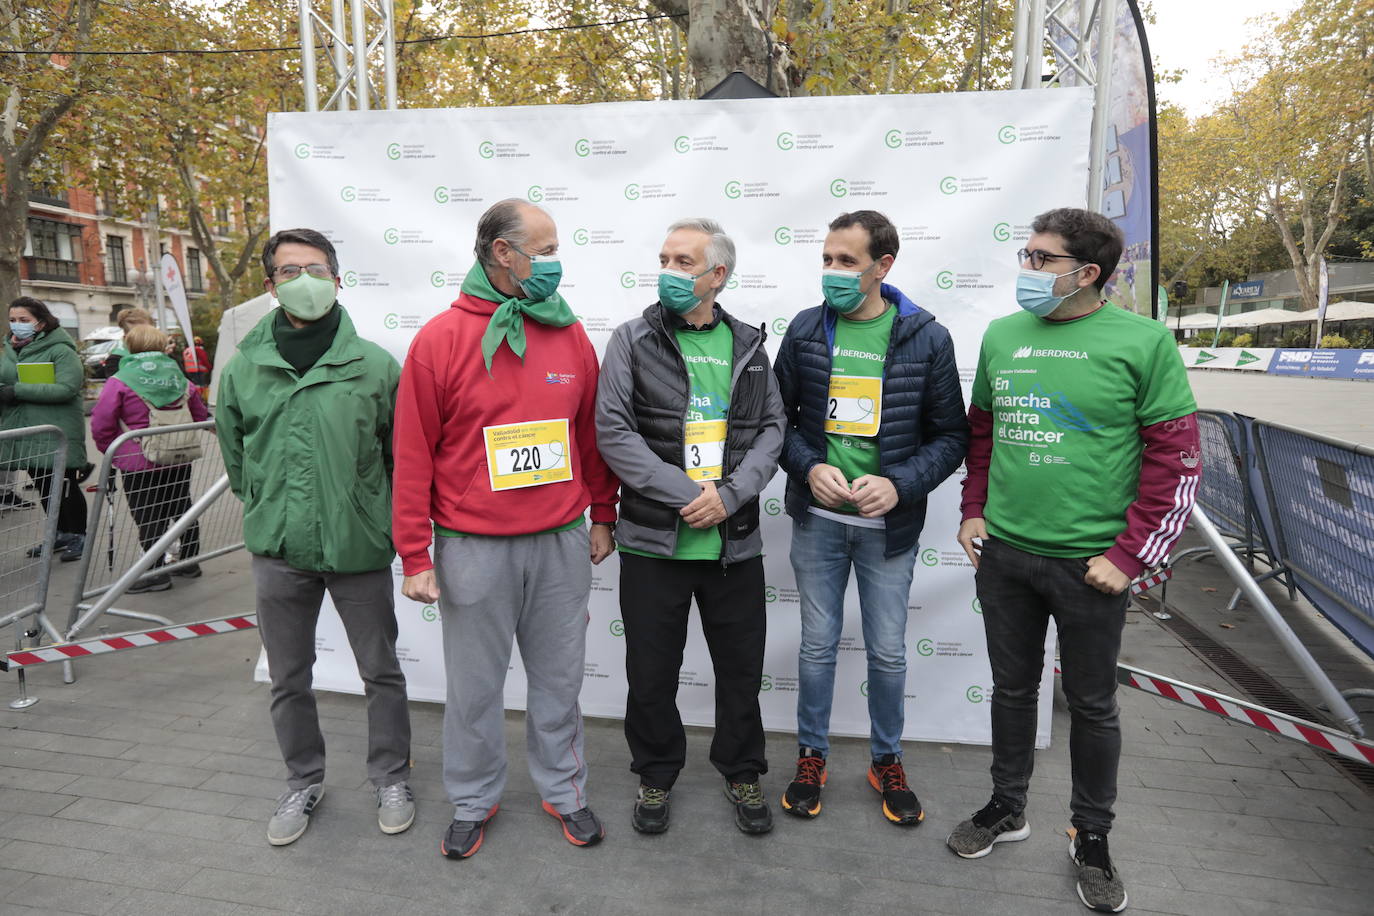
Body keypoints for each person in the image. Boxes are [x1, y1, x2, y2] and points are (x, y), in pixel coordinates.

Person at [948, 208, 1200, 914]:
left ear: (1086, 273)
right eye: (1024, 254)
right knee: (1011, 691)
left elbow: (1176, 462)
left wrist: (1132, 557)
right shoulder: (1003, 335)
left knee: (1091, 705)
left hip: (1094, 566)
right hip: (1006, 557)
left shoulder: (1143, 342)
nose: (1025, 270)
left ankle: (1091, 835)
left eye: (1040, 259)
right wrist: (973, 510)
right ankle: (1006, 806)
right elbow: (984, 436)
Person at [392, 198, 618, 860]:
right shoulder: (440, 339)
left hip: (559, 541)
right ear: (501, 253)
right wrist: (414, 555)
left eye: (554, 250)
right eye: (542, 250)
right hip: (471, 546)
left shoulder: (569, 333)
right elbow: (412, 456)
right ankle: (471, 798)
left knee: (560, 679)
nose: (553, 262)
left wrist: (602, 514)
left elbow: (589, 437)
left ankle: (564, 789)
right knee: (473, 687)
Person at [216, 228, 413, 847]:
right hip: (277, 548)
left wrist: (368, 513)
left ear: (338, 277)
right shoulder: (245, 367)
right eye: (291, 270)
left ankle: (392, 776)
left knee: (380, 671)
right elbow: (236, 456)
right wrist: (271, 507)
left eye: (317, 268)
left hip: (357, 546)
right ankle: (303, 778)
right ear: (271, 286)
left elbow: (397, 458)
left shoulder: (376, 365)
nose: (306, 279)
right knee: (289, 676)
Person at [773, 210, 968, 825]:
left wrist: (900, 484)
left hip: (890, 528)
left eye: (846, 262)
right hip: (819, 522)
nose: (831, 271)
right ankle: (811, 755)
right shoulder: (805, 330)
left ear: (883, 266)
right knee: (816, 647)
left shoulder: (927, 337)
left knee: (887, 653)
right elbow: (775, 424)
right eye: (827, 259)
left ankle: (886, 758)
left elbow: (951, 436)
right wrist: (808, 469)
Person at [596, 218, 785, 836]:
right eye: (665, 259)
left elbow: (772, 431)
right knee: (650, 674)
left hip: (733, 545)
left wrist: (729, 498)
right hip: (655, 542)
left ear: (717, 275)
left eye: (683, 262)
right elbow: (614, 433)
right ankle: (655, 775)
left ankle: (741, 769)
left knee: (740, 670)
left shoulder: (751, 345)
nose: (669, 272)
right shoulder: (631, 339)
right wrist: (688, 495)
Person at [91, 323, 209, 594]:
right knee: (181, 507)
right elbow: (199, 414)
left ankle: (155, 572)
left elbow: (101, 422)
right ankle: (190, 562)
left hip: (138, 459)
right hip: (178, 455)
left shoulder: (121, 379)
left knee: (148, 514)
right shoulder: (178, 376)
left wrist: (111, 449)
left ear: (129, 346)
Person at [0, 297, 89, 562]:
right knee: (44, 488)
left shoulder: (61, 350)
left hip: (56, 430)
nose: (17, 325)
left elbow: (67, 387)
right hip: (28, 431)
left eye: (24, 320)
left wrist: (17, 390)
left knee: (65, 486)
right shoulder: (10, 350)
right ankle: (59, 533)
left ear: (41, 321)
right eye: (13, 320)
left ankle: (79, 535)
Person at [97, 306, 154, 379]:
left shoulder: (158, 353)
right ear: (126, 335)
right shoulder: (116, 358)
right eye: (142, 334)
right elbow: (115, 387)